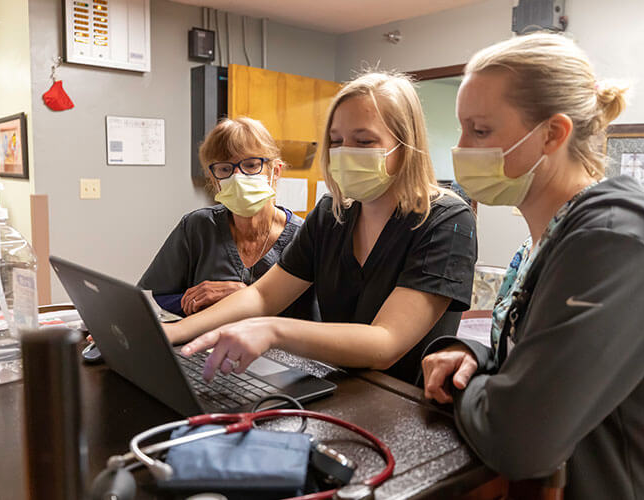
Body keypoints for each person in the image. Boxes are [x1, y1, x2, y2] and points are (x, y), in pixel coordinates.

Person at [421, 33, 644, 498]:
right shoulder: (548, 239)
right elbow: (548, 364)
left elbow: (519, 438)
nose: (460, 148)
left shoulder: (613, 246)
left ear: (552, 133)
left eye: (480, 130)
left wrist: (471, 388)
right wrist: (478, 358)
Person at [166, 71, 477, 386]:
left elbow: (386, 343)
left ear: (405, 144)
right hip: (336, 387)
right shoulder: (331, 214)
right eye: (336, 141)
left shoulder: (446, 221)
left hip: (405, 402)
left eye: (364, 141)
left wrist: (271, 330)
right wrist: (176, 331)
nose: (344, 151)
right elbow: (262, 295)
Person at [138, 117, 317, 320]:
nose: (238, 177)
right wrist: (194, 300)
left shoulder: (305, 237)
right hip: (204, 348)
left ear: (275, 171)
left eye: (250, 165)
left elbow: (317, 320)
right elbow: (149, 299)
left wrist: (243, 296)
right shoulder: (197, 228)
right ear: (214, 180)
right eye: (225, 169)